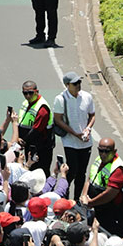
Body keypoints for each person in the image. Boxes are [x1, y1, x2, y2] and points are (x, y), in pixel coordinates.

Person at [53, 71, 95, 200]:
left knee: (81, 173)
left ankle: (76, 200)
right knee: (72, 171)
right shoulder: (60, 99)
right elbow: (58, 119)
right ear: (67, 85)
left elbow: (92, 115)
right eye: (75, 83)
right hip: (70, 142)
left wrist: (88, 129)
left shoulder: (87, 97)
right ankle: (64, 197)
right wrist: (74, 133)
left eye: (79, 82)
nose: (78, 85)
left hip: (85, 142)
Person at [83, 138, 123, 236]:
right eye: (101, 151)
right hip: (96, 209)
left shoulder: (118, 169)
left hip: (112, 214)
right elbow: (90, 179)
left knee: (111, 242)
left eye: (107, 151)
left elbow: (110, 194)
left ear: (114, 151)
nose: (103, 154)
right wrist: (84, 195)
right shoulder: (99, 160)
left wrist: (91, 203)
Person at [20, 80, 55, 176]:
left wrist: (23, 140)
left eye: (30, 93)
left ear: (37, 91)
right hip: (30, 145)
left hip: (41, 148)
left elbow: (36, 130)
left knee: (40, 173)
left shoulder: (42, 109)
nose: (28, 96)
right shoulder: (26, 103)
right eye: (25, 93)